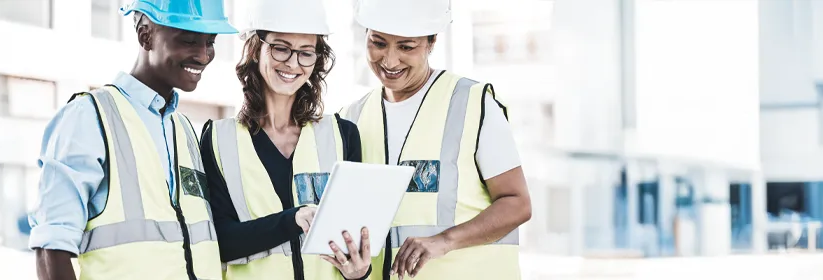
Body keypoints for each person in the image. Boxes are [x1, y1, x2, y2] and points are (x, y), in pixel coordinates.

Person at [27, 0, 237, 279]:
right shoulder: (89, 117)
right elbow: (50, 247)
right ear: (145, 35)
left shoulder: (184, 129)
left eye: (210, 42)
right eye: (189, 40)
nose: (203, 55)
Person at [339, 0, 533, 279]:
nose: (390, 60)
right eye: (378, 43)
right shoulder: (351, 118)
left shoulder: (472, 104)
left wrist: (444, 241)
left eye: (406, 47)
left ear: (431, 43)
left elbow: (517, 203)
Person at [198, 0, 371, 279]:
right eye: (280, 48)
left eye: (306, 53)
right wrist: (292, 220)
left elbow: (353, 241)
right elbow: (220, 243)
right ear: (255, 49)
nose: (293, 63)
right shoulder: (218, 140)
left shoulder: (342, 135)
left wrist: (359, 272)